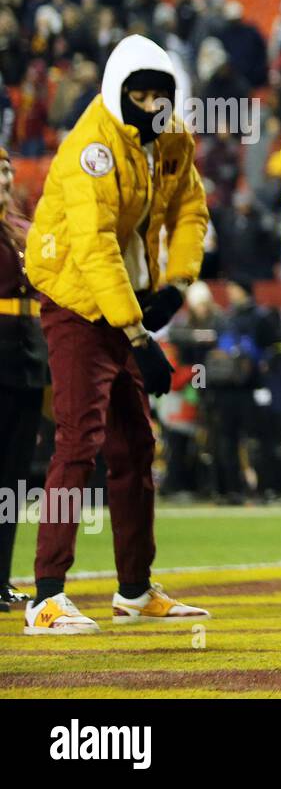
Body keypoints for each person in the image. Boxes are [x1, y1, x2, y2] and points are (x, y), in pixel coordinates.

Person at [22, 35, 211, 634]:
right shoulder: (92, 148)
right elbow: (94, 248)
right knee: (79, 441)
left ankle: (133, 589)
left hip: (119, 297)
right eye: (140, 92)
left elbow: (191, 211)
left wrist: (177, 282)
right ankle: (47, 594)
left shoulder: (172, 135)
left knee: (134, 448)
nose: (151, 102)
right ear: (117, 91)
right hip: (76, 296)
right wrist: (136, 334)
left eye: (161, 92)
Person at [0, 147, 47, 608]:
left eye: (7, 169)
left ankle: (1, 577)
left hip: (26, 358)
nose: (5, 176)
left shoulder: (22, 230)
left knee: (13, 482)